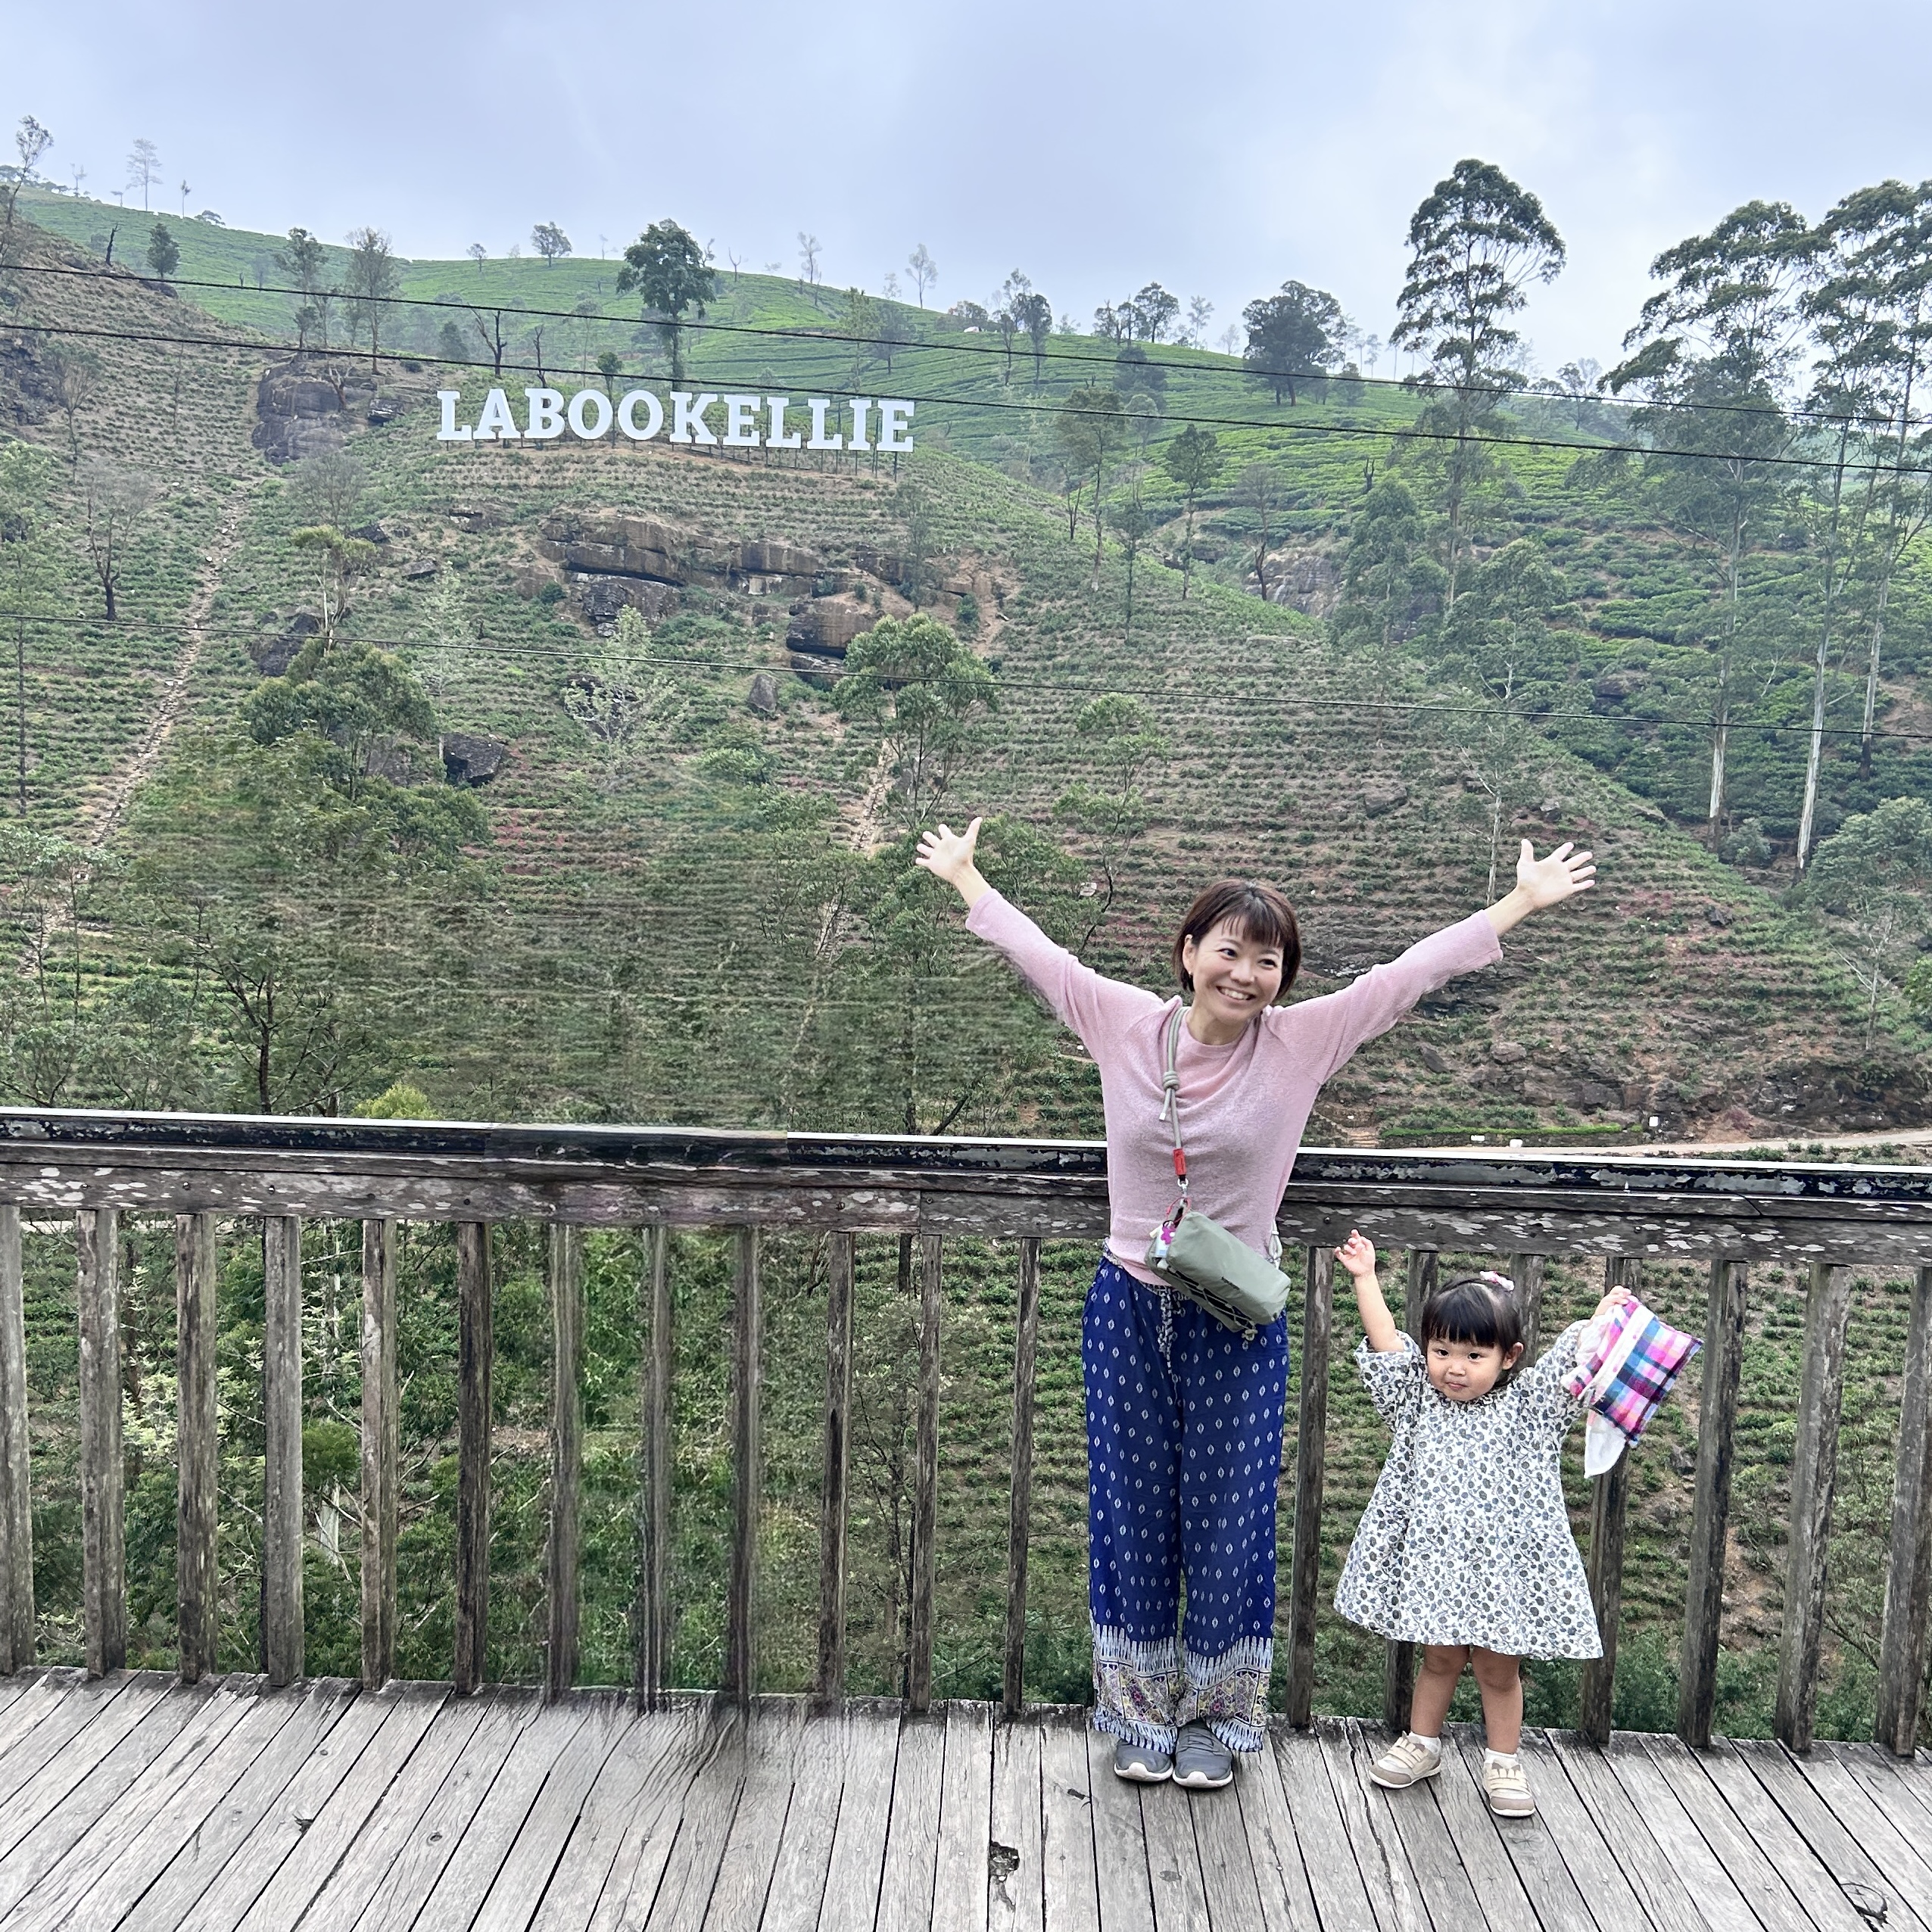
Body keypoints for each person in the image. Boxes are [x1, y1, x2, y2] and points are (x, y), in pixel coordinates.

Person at [915, 816, 1595, 1790]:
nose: (1244, 974)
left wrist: (1518, 902)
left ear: (1282, 976)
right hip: (1127, 1307)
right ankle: (1137, 1713)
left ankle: (1218, 1718)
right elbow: (1043, 957)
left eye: (1266, 961)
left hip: (1236, 1320)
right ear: (1189, 952)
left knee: (1229, 1522)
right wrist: (966, 877)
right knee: (1129, 1516)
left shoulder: (1297, 1044)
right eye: (1228, 951)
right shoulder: (1121, 1021)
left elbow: (1401, 977)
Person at [1332, 1232, 1621, 1818]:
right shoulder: (1416, 1399)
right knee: (1438, 1658)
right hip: (1437, 1567)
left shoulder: (1532, 1406)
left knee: (1497, 1668)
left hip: (1501, 1574)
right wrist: (1365, 1277)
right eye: (1441, 1351)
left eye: (1473, 1356)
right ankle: (1422, 1744)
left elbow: (1574, 1364)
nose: (1454, 1368)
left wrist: (1600, 1320)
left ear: (1508, 1357)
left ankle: (1504, 1760)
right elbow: (1386, 1344)